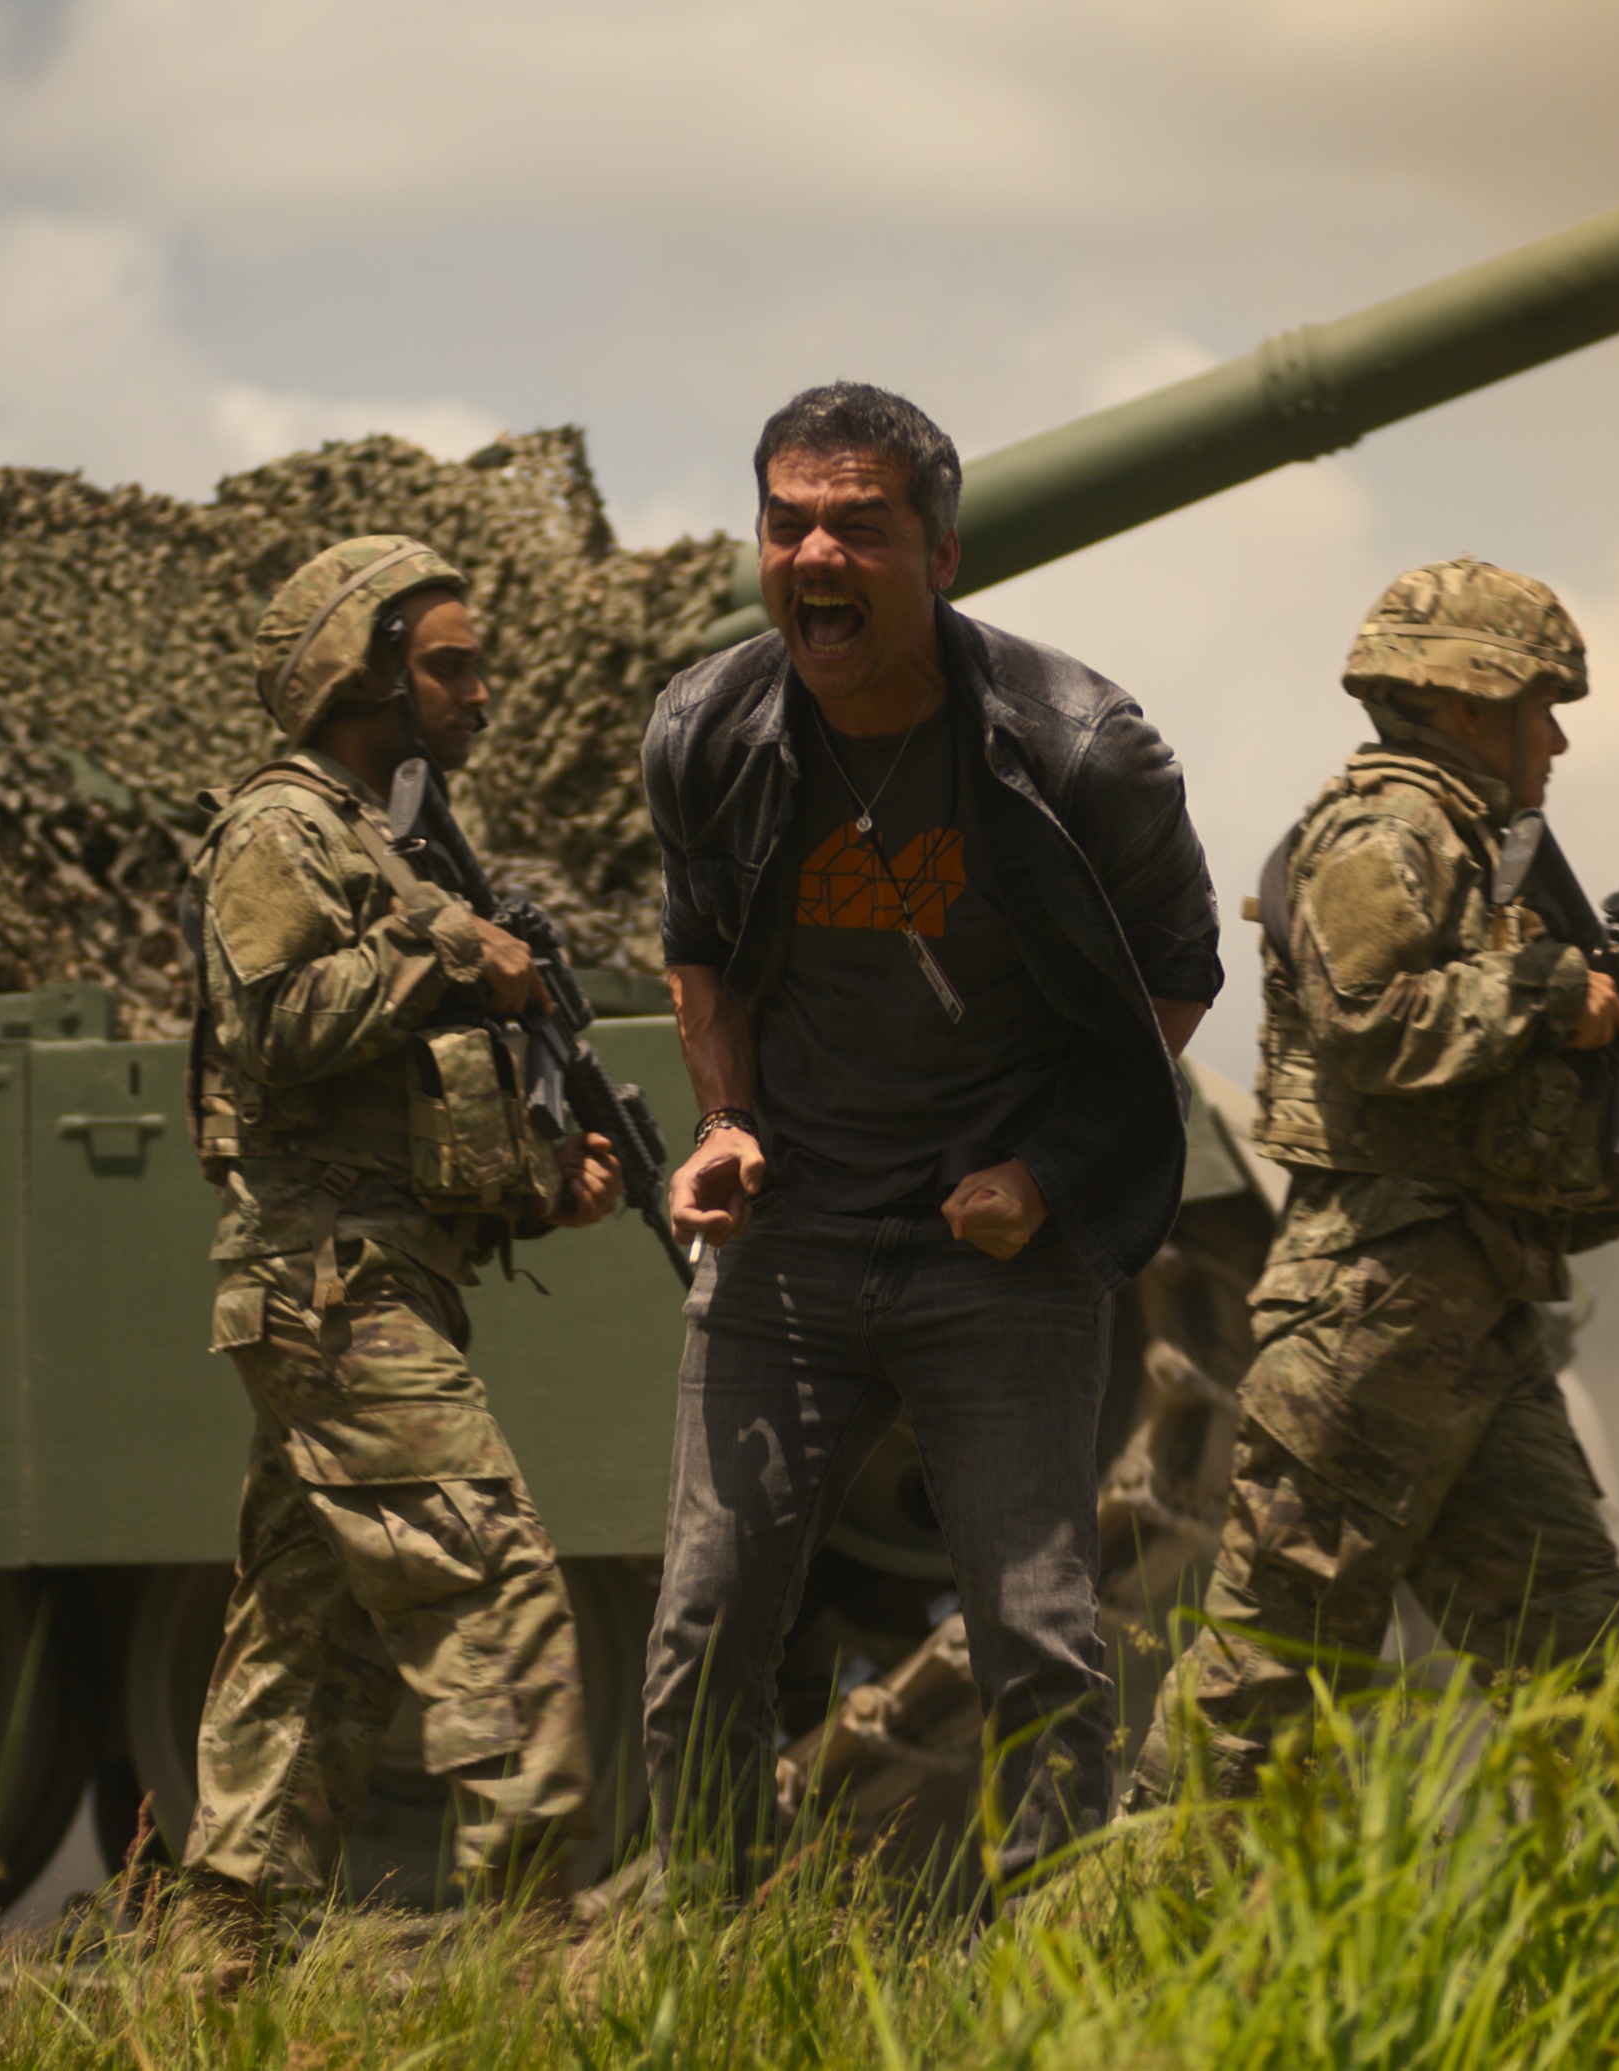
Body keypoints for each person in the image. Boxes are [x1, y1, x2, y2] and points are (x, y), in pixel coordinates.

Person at [636, 382, 1222, 1888]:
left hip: (996, 1249)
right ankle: (709, 1955)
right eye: (787, 522)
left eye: (860, 526)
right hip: (792, 1238)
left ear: (942, 553)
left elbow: (1179, 970)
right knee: (705, 1619)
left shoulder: (1081, 746)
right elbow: (698, 941)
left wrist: (1050, 1172)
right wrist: (724, 1119)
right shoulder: (707, 728)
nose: (815, 554)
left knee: (1037, 1629)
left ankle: (1047, 1956)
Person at [1128, 559, 1619, 1808]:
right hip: (1368, 1317)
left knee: (1586, 1650)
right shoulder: (1392, 830)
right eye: (1540, 707)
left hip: (1457, 1320)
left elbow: (1470, 1144)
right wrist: (1551, 993)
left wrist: (1618, 1189)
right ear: (1466, 700)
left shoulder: (1469, 845)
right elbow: (1373, 1029)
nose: (1553, 740)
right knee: (1268, 1670)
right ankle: (1103, 1948)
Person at [179, 535, 625, 1931]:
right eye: (450, 663)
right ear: (362, 670)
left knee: (310, 1651)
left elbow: (388, 1102)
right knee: (495, 1595)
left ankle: (217, 1986)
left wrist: (540, 1180)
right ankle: (532, 1963)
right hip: (335, 1287)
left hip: (371, 1276)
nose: (479, 691)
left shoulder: (378, 839)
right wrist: (450, 953)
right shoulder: (281, 827)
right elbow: (271, 1026)